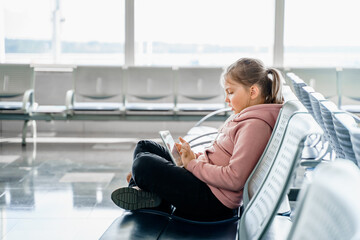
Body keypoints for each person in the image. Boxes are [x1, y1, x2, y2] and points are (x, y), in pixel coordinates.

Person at [111, 57, 284, 221]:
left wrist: (192, 164)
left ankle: (147, 192)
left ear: (253, 91)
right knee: (145, 146)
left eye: (230, 92)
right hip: (205, 183)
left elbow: (234, 178)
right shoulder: (246, 118)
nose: (226, 99)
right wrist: (193, 156)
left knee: (143, 165)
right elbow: (220, 156)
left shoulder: (255, 126)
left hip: (212, 201)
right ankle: (145, 193)